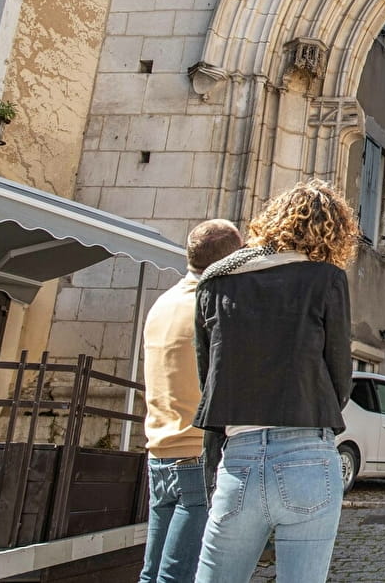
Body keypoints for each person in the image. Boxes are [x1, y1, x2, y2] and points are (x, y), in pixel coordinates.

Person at [191, 180, 355, 583]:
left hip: (240, 454)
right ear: (333, 232)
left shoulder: (213, 282)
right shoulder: (327, 280)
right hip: (308, 452)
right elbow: (340, 381)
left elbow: (208, 378)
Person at [139, 218, 243, 583]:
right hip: (195, 455)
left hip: (158, 452)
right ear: (230, 262)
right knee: (177, 576)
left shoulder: (162, 304)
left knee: (152, 573)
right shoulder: (211, 308)